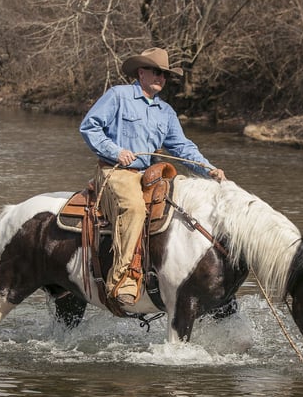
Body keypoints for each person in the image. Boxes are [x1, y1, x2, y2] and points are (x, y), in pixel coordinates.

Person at [80, 47, 226, 307]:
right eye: (156, 72)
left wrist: (209, 169)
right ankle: (122, 278)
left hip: (150, 174)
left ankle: (168, 276)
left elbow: (182, 147)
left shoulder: (166, 112)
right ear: (141, 72)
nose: (161, 77)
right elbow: (89, 126)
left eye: (165, 74)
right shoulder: (118, 96)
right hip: (116, 172)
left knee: (182, 211)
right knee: (134, 209)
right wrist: (116, 151)